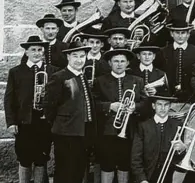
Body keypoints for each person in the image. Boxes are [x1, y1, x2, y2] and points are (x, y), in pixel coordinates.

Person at [4, 36, 59, 183]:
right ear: (26, 52)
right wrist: (11, 122)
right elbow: (9, 99)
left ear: (44, 52)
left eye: (40, 50)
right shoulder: (16, 72)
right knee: (24, 158)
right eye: (33, 50)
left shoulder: (53, 71)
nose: (36, 53)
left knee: (41, 158)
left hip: (44, 121)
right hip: (24, 122)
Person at [92, 48, 147, 183]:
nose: (119, 64)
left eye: (123, 61)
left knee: (125, 163)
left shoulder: (137, 80)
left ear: (128, 63)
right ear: (110, 63)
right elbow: (93, 103)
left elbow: (146, 103)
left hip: (130, 130)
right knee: (107, 163)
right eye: (116, 61)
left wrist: (136, 107)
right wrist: (109, 106)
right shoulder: (100, 81)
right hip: (107, 131)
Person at [45, 41, 97, 183]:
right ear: (68, 57)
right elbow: (50, 107)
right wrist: (61, 125)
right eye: (75, 56)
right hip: (65, 133)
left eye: (82, 56)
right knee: (65, 171)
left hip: (82, 131)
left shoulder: (82, 76)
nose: (79, 60)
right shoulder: (59, 77)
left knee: (78, 170)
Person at [131, 93, 187, 183]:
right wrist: (142, 179)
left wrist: (182, 149)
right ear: (153, 106)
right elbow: (135, 158)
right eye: (159, 104)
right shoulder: (143, 126)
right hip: (148, 175)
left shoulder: (178, 126)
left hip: (171, 176)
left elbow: (181, 159)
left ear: (170, 106)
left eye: (166, 105)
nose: (162, 108)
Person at [156, 20, 195, 101]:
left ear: (188, 34)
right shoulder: (163, 52)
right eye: (177, 33)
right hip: (167, 96)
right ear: (171, 34)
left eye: (183, 33)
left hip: (191, 96)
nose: (180, 36)